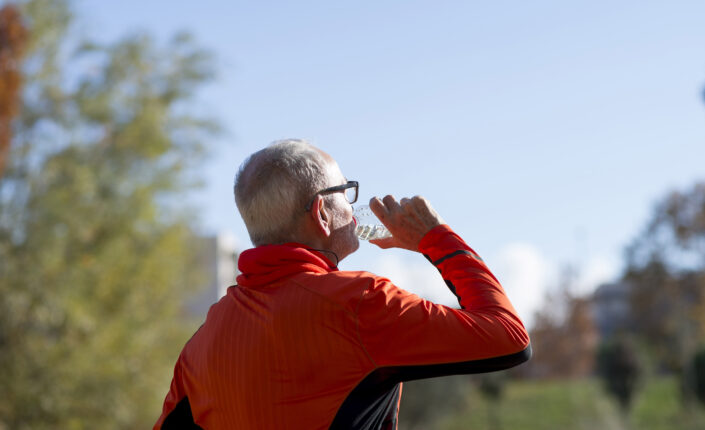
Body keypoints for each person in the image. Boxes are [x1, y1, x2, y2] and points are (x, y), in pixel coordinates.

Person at [154, 139, 531, 430]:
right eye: (345, 192)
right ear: (321, 212)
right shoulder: (359, 303)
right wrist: (435, 238)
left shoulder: (202, 343)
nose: (353, 208)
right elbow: (509, 337)